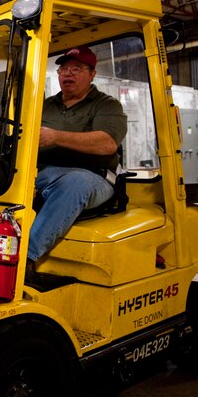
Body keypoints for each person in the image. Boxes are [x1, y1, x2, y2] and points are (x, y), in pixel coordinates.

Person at [27, 46, 127, 277]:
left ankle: (26, 258)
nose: (67, 74)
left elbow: (107, 143)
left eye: (76, 69)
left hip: (93, 178)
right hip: (44, 172)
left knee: (74, 183)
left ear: (92, 74)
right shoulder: (45, 105)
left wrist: (56, 137)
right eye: (63, 69)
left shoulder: (106, 105)